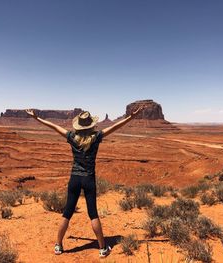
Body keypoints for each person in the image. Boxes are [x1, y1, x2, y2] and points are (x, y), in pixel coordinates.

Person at [25, 107, 143, 258]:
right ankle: (102, 248)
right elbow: (115, 127)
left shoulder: (72, 137)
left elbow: (54, 127)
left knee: (67, 213)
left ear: (78, 126)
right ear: (91, 125)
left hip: (74, 178)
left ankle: (59, 245)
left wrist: (36, 118)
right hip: (89, 179)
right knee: (93, 214)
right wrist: (130, 117)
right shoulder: (96, 137)